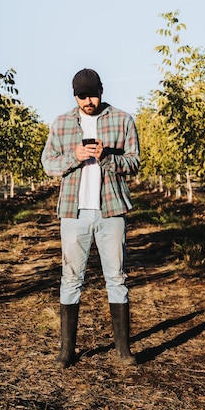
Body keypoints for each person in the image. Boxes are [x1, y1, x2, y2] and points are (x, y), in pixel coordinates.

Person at [41, 68, 140, 368]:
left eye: (92, 94)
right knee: (71, 278)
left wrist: (108, 157)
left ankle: (123, 350)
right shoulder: (61, 125)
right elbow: (48, 164)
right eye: (82, 96)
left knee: (117, 278)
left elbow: (134, 163)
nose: (88, 101)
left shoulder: (122, 120)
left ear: (101, 90)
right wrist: (75, 157)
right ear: (75, 95)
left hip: (111, 212)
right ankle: (66, 350)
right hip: (74, 213)